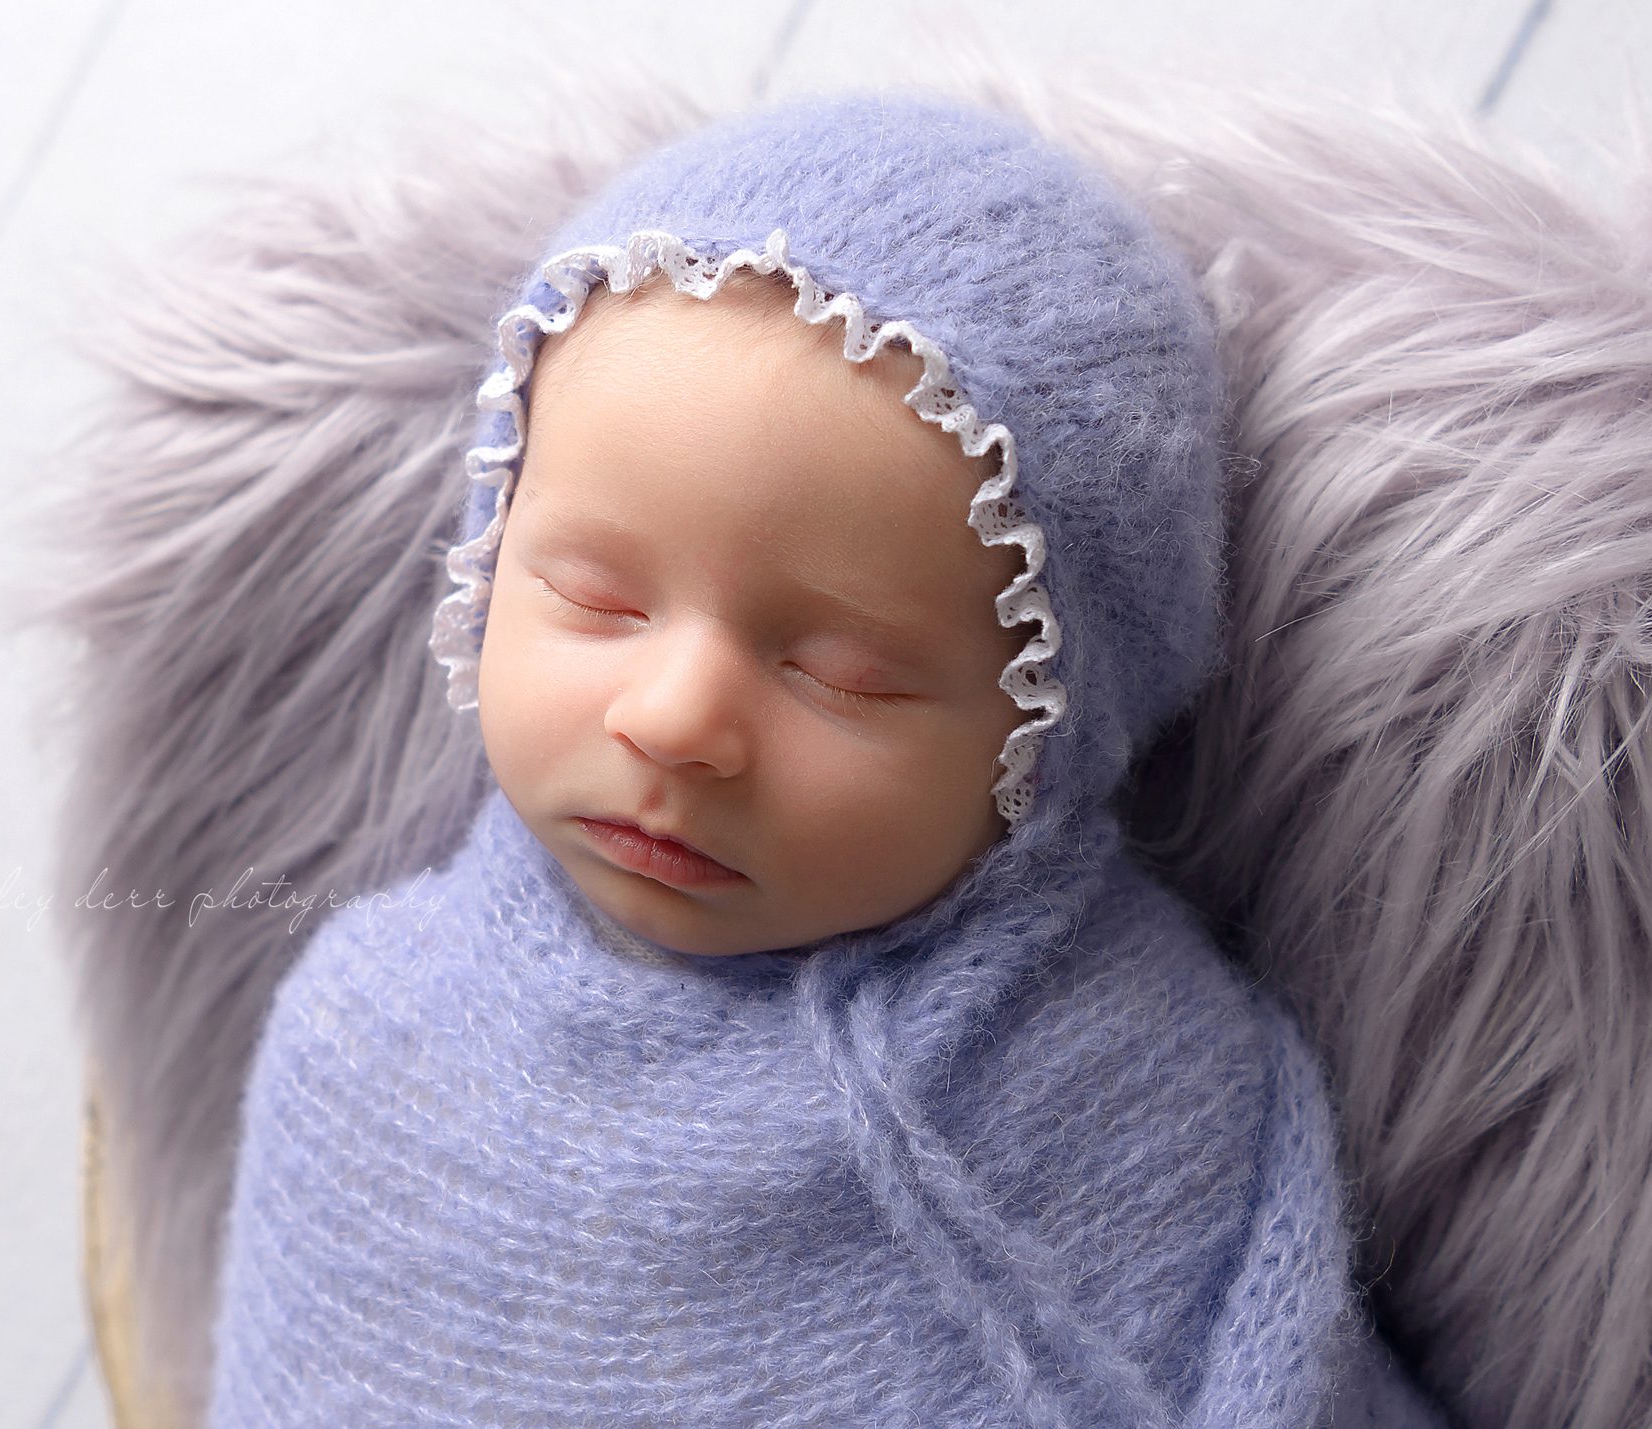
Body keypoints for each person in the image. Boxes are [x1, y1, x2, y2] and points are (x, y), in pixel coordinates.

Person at [200, 92, 1448, 1425]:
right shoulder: (369, 1046)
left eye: (845, 672)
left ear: (1044, 732)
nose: (674, 719)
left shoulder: (1132, 1096)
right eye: (596, 598)